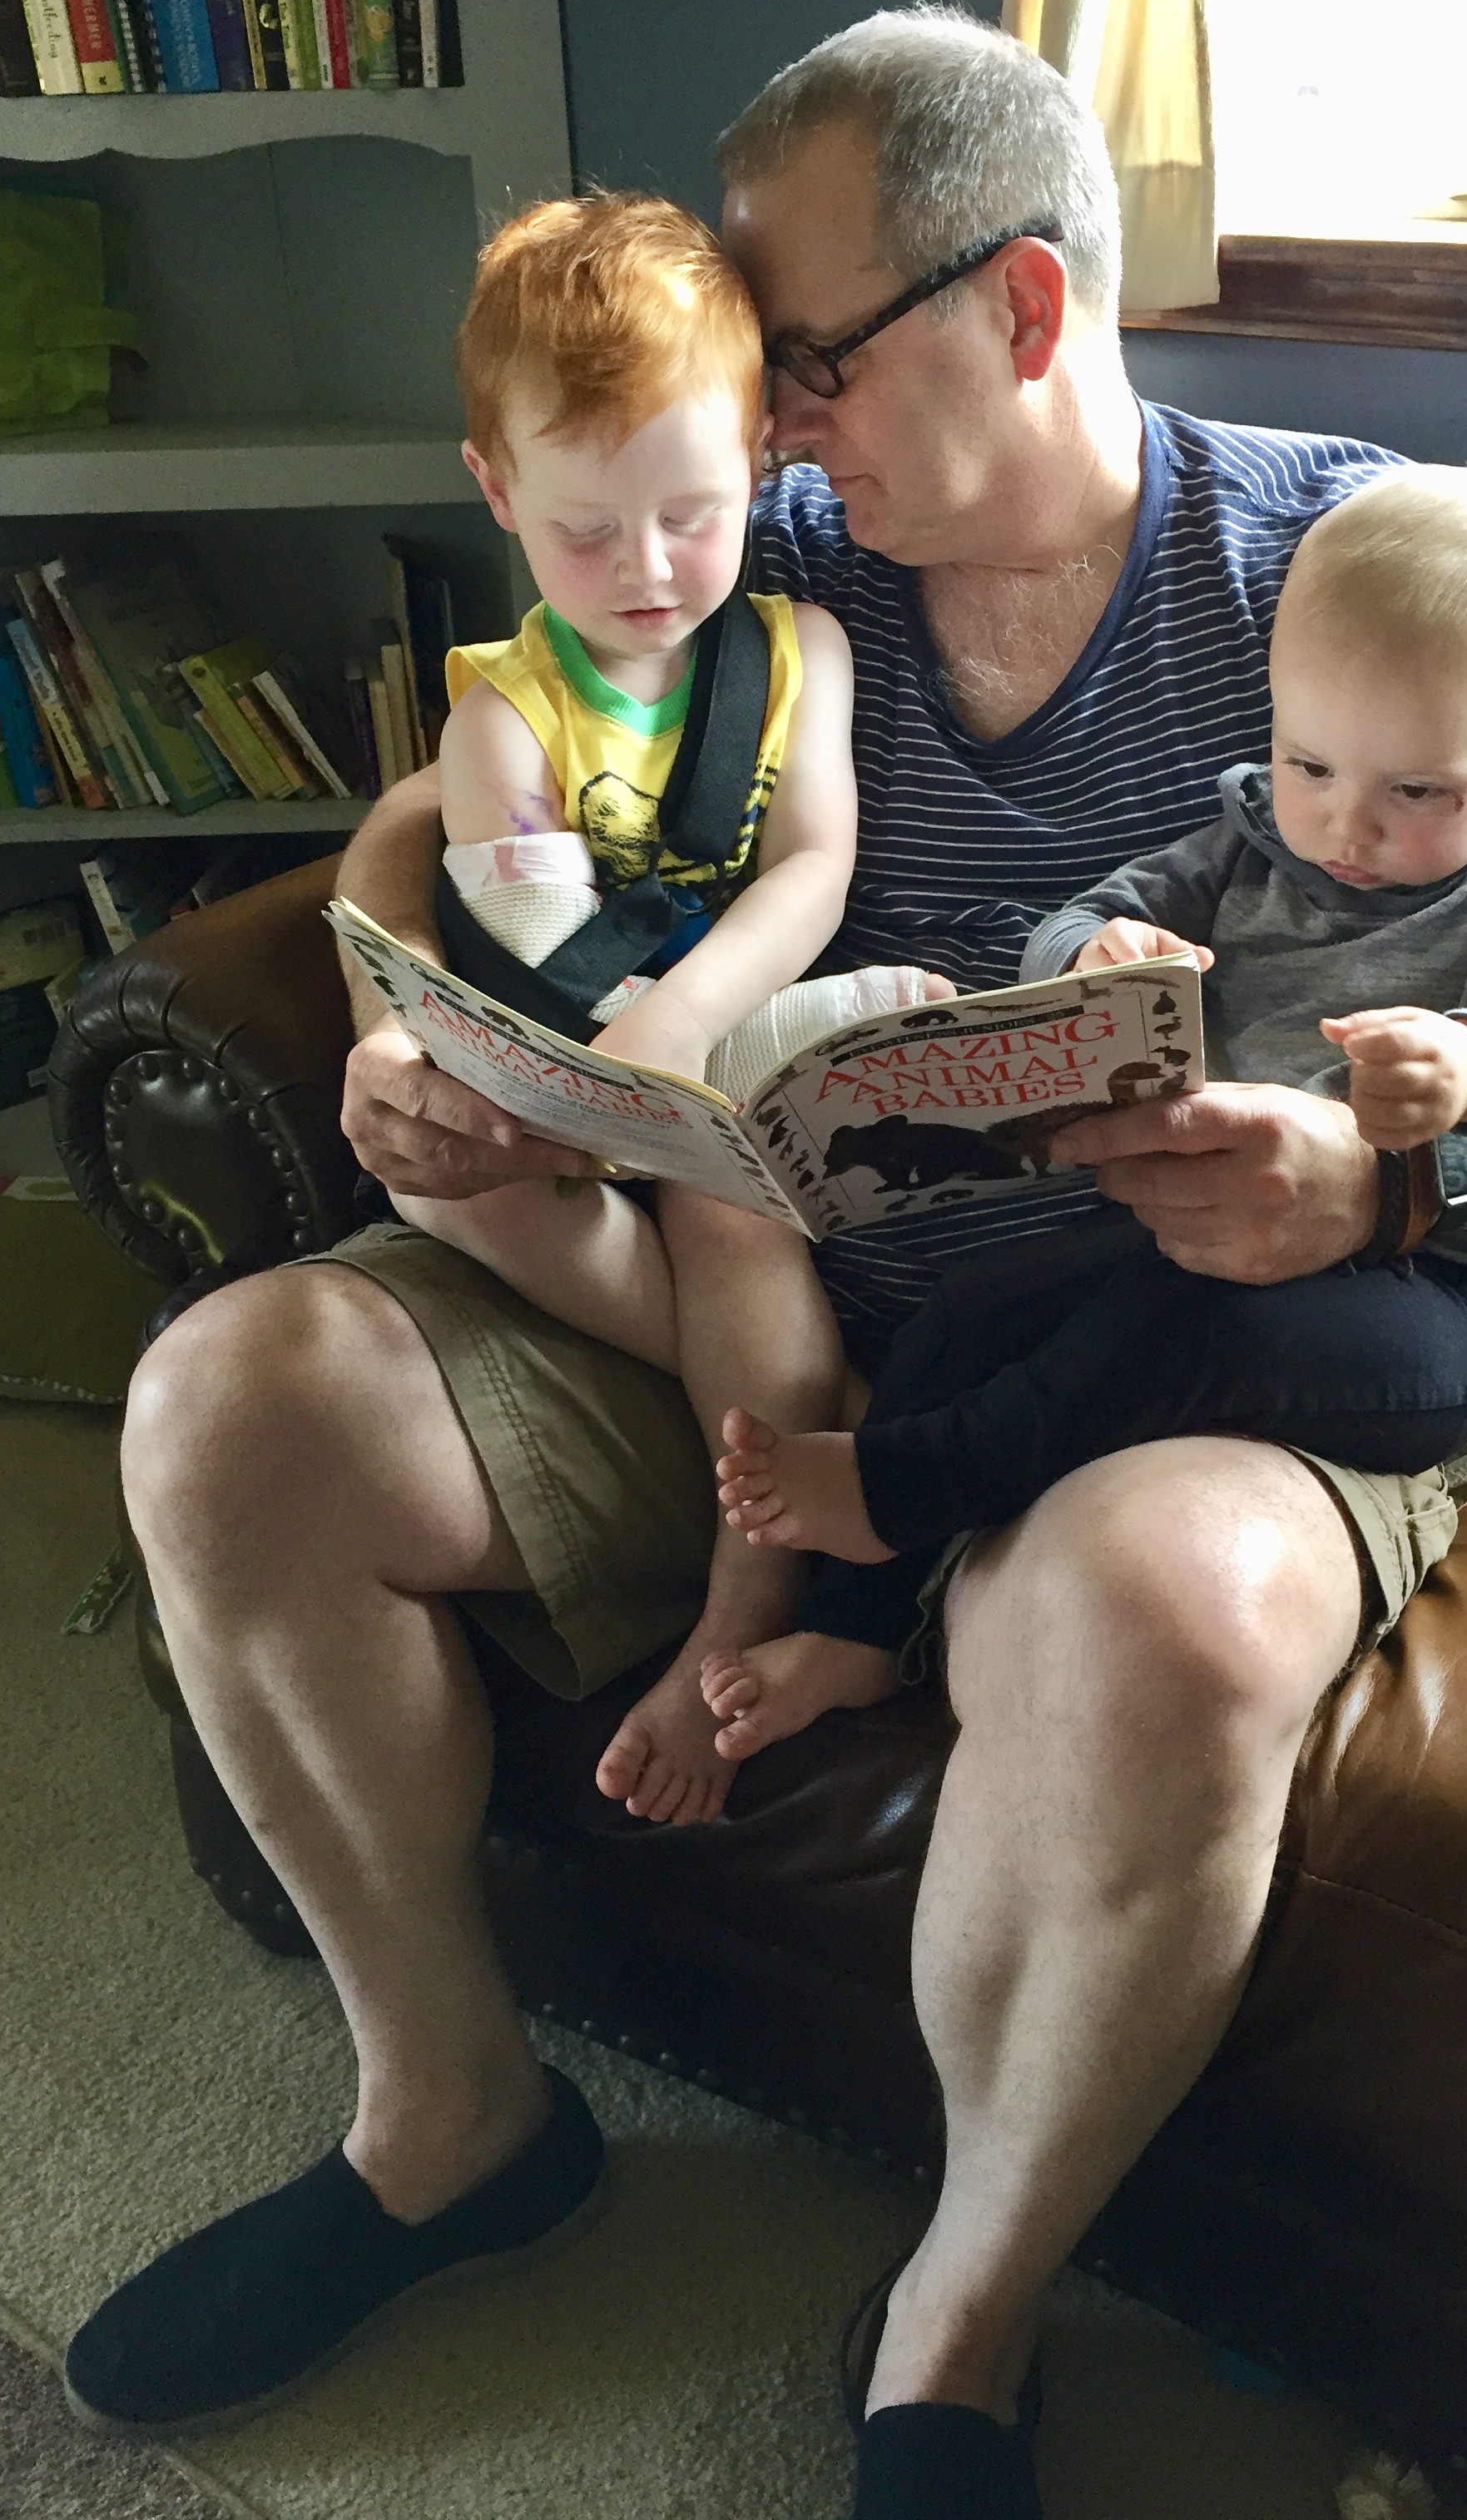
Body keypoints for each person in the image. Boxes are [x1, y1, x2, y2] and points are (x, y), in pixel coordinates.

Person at [82, 9, 1467, 2520]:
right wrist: (393, 1018)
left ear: (1022, 304)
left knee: (1164, 1610)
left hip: (1191, 1327)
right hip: (745, 1282)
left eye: (810, 361)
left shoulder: (1351, 555)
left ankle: (956, 2333)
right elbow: (432, 812)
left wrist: (1387, 1186)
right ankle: (451, 2121)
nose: (769, 427)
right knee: (228, 1405)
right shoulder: (752, 555)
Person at [701, 464, 1467, 1759]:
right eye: (1310, 762)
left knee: (1168, 1333)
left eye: (1418, 792)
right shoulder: (1255, 831)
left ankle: (902, 1490)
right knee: (971, 1312)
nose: (1347, 826)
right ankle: (859, 1632)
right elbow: (1077, 917)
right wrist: (1092, 950)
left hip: (1429, 1297)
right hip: (1194, 1232)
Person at [405, 189, 946, 1829]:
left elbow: (814, 863)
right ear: (498, 490)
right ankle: (827, 1404)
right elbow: (530, 933)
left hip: (728, 1062)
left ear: (763, 464)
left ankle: (739, 1609)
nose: (646, 571)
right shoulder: (503, 718)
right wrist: (586, 1071)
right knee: (441, 1188)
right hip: (563, 1067)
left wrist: (691, 1020)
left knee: (731, 1208)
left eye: (692, 516)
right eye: (585, 532)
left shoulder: (800, 652)